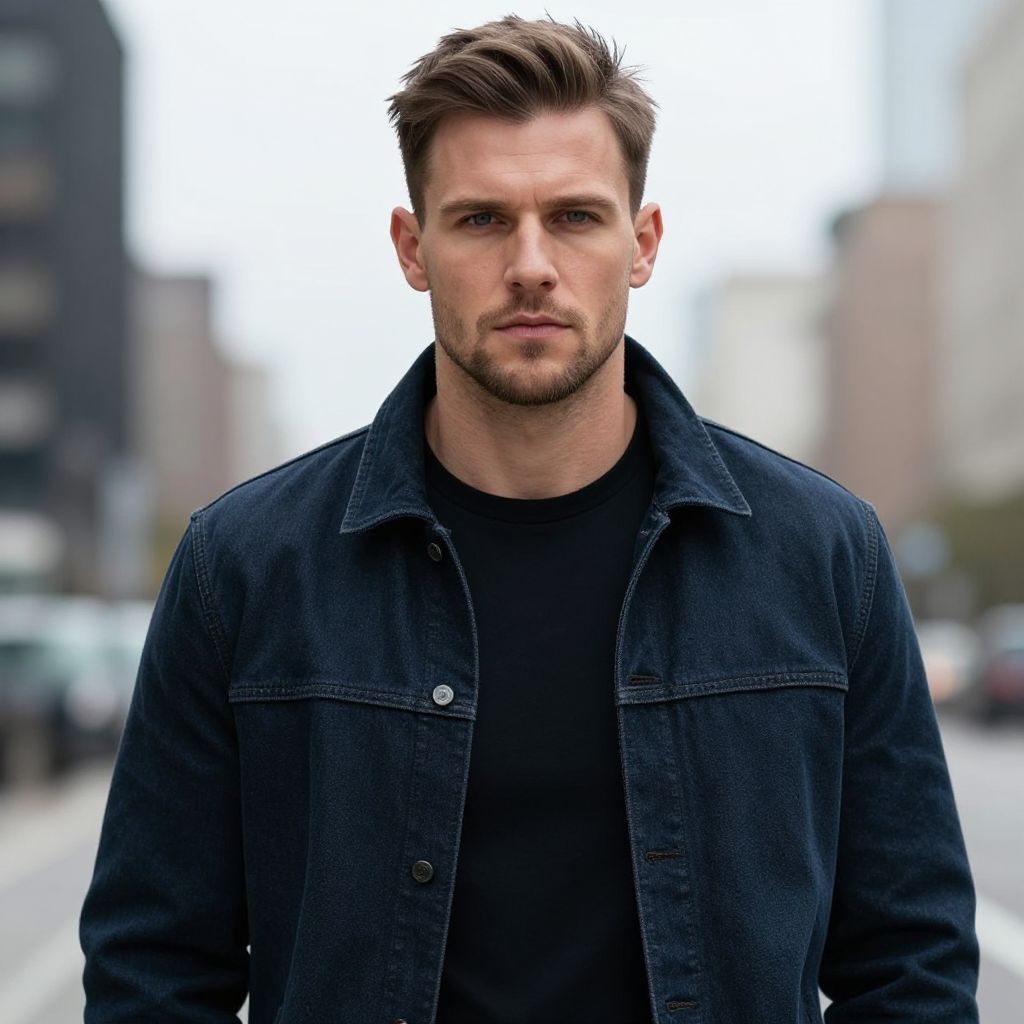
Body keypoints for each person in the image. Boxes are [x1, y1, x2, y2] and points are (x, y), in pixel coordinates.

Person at [80, 15, 980, 1024]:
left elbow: (913, 962)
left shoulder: (821, 553)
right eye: (480, 219)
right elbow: (152, 968)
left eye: (575, 217)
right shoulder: (244, 566)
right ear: (412, 248)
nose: (532, 265)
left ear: (641, 244)